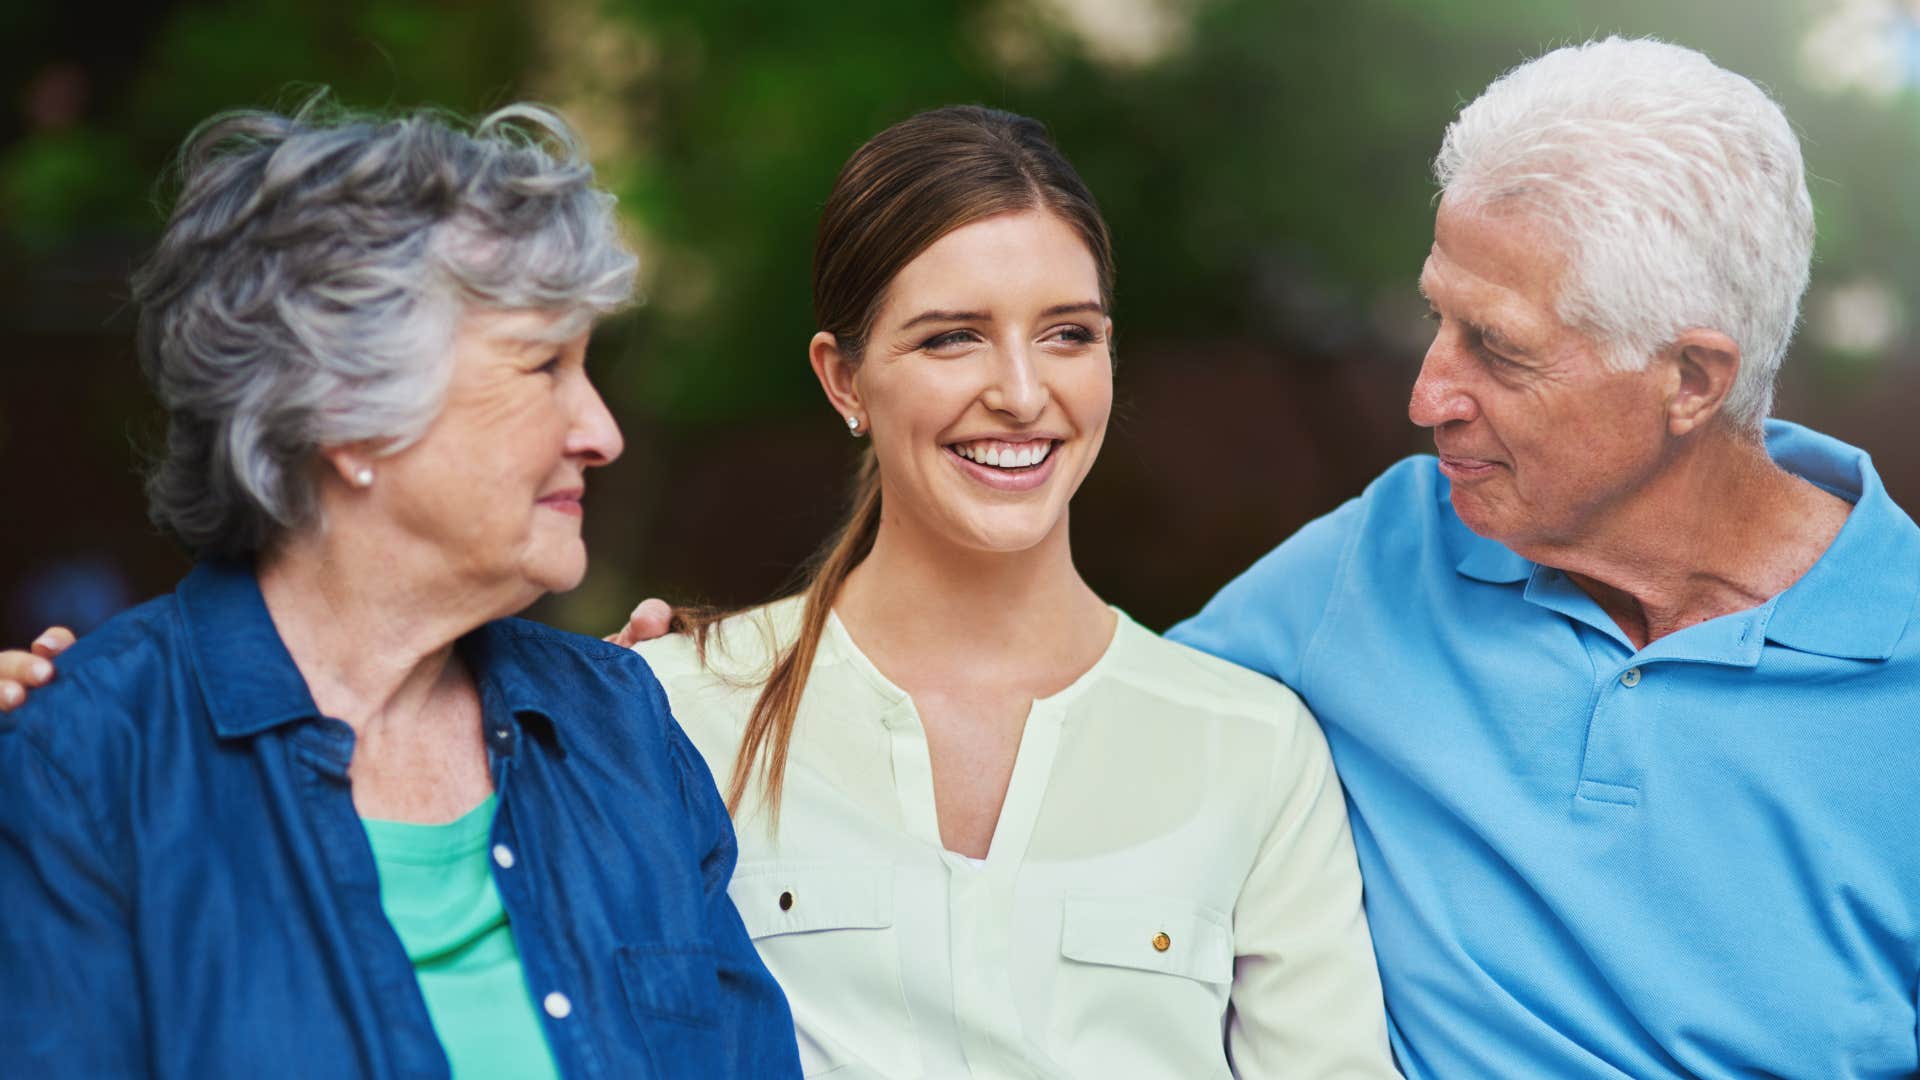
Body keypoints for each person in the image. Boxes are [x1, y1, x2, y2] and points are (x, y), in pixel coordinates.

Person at [1166, 38, 1920, 1078]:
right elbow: (1093, 735)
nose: (1427, 397)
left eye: (1499, 346)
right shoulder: (1391, 547)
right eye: (1438, 317)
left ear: (1692, 379)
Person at [0, 102, 798, 1077]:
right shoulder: (86, 760)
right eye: (543, 364)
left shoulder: (619, 726)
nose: (601, 432)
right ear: (347, 407)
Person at [636, 105, 1394, 1078]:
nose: (1024, 394)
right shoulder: (676, 713)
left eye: (1068, 334)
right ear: (845, 380)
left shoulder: (1252, 748)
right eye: (954, 338)